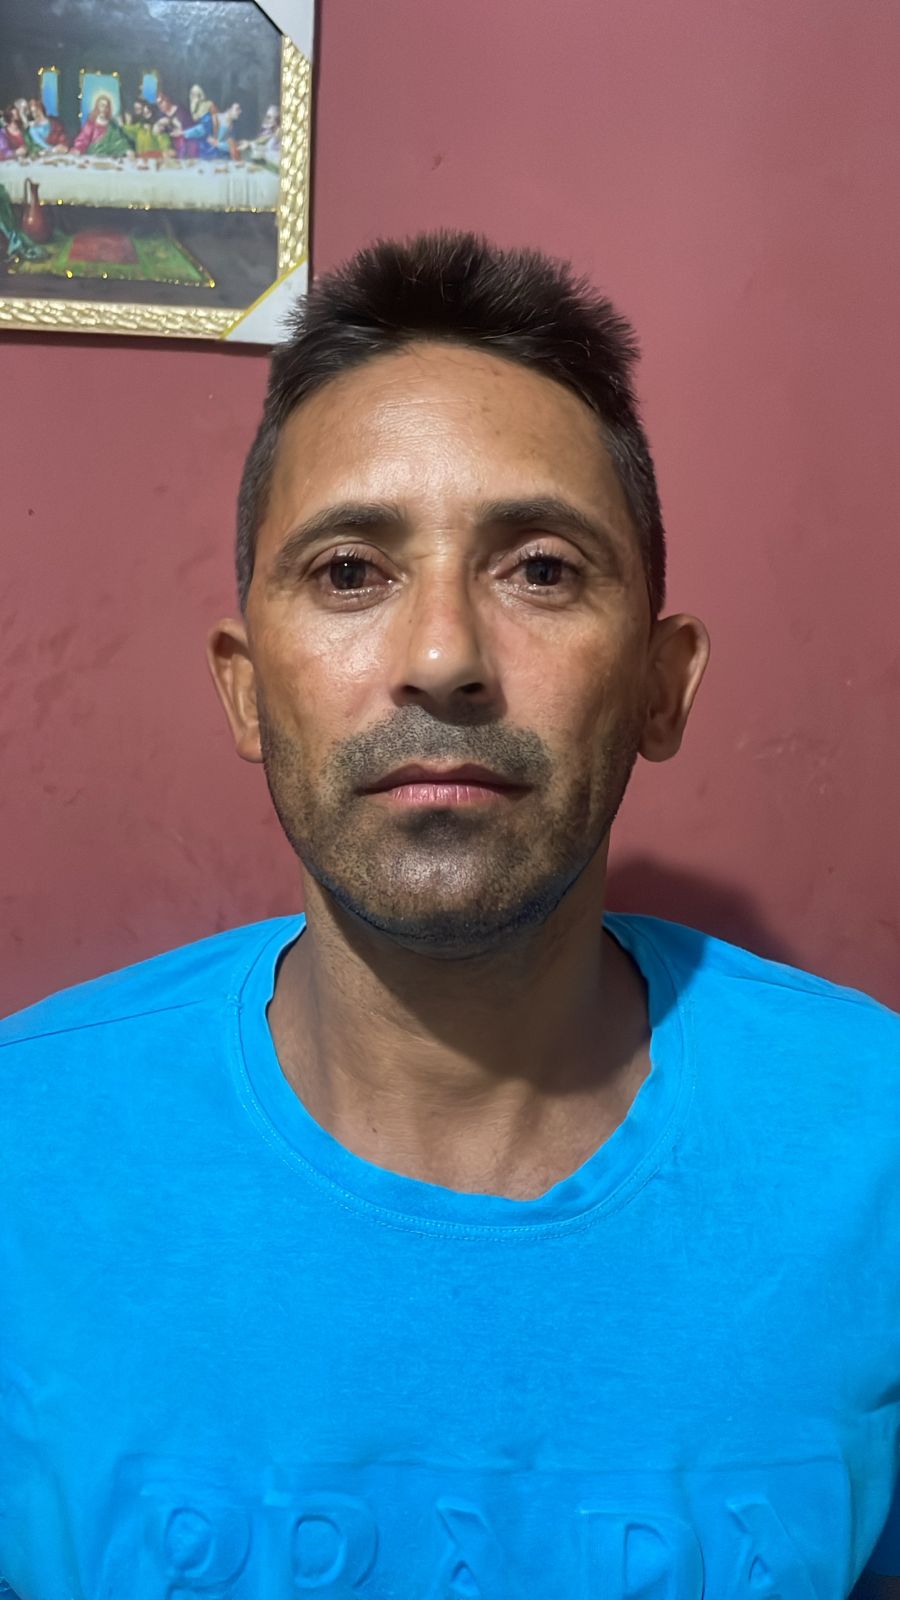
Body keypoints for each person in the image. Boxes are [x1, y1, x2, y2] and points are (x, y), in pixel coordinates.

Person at [1, 231, 898, 1597]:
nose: (443, 658)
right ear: (247, 689)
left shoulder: (874, 1150)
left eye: (539, 567)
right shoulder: (28, 1151)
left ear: (660, 686)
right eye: (350, 571)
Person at [71, 92, 130, 158]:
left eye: (106, 106)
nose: (104, 109)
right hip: (93, 157)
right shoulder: (91, 124)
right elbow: (84, 138)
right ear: (97, 106)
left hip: (109, 158)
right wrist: (78, 149)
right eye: (102, 105)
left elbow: (118, 141)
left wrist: (127, 150)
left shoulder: (112, 125)